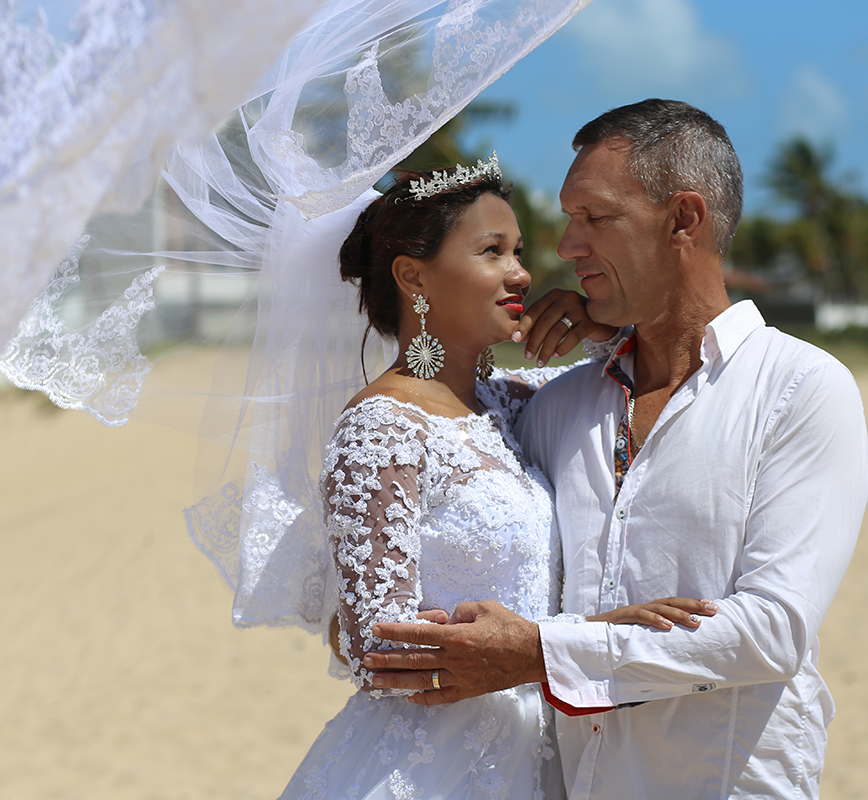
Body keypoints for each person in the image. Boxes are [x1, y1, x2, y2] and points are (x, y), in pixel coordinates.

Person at [363, 99, 868, 799]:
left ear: (683, 220)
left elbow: (773, 631)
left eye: (596, 218)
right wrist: (601, 331)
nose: (567, 247)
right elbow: (447, 434)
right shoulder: (562, 404)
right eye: (570, 219)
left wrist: (539, 653)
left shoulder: (803, 390)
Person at [277, 155, 715, 800]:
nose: (522, 274)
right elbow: (377, 652)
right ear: (414, 277)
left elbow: (635, 373)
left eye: (517, 251)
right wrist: (591, 634)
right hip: (431, 770)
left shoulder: (515, 402)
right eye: (492, 251)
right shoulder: (381, 428)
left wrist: (605, 323)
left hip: (547, 755)